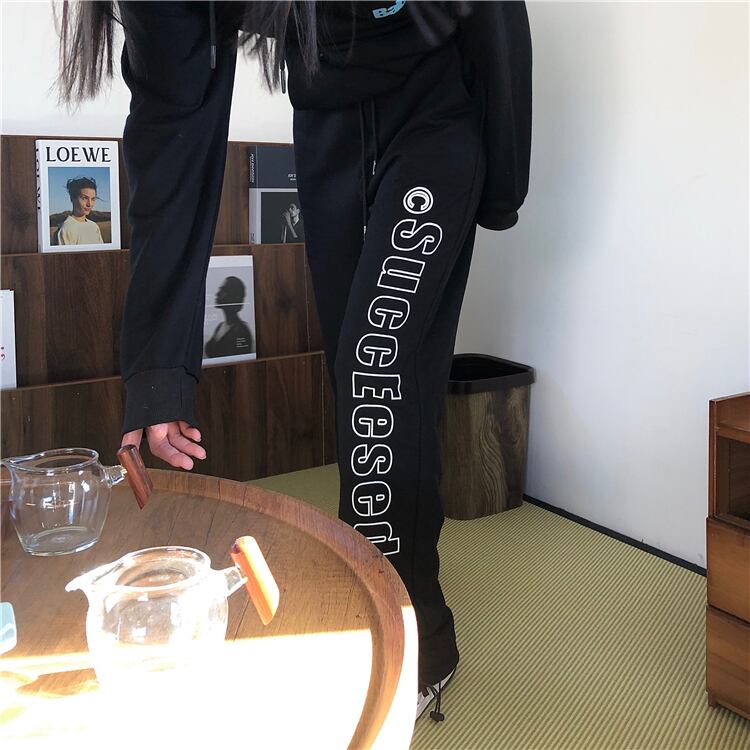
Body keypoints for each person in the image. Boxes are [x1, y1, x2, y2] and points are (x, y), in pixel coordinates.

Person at [56, 0, 532, 723]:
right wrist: (158, 376)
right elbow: (172, 138)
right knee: (353, 369)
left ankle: (413, 637)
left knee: (376, 360)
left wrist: (502, 186)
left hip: (437, 111)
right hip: (327, 128)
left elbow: (495, 11)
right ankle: (373, 600)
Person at [204, 275, 254, 358]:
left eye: (223, 290)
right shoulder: (220, 326)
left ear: (232, 296)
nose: (217, 293)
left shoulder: (241, 330)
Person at [55, 176, 104, 245]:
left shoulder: (94, 226)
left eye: (93, 199)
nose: (89, 204)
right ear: (72, 198)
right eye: (85, 198)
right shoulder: (66, 229)